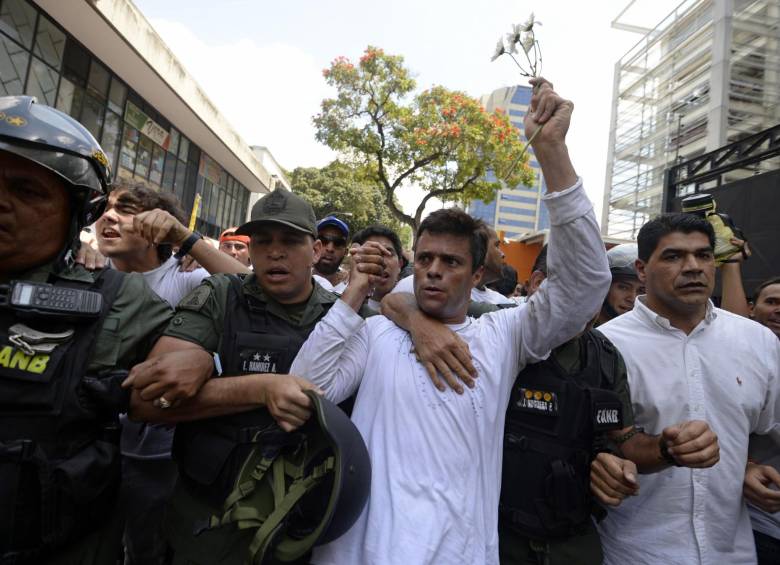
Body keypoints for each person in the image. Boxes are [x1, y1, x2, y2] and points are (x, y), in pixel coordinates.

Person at [289, 78, 612, 564]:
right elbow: (305, 391)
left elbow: (585, 284)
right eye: (424, 259)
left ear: (479, 273)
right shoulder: (376, 331)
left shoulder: (503, 335)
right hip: (358, 552)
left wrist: (552, 153)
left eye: (452, 262)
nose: (434, 270)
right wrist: (356, 293)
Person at [120, 189, 377, 565]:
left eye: (290, 240)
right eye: (263, 241)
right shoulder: (220, 295)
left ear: (315, 250)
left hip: (296, 524)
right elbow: (145, 403)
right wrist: (258, 389)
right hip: (206, 520)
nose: (275, 252)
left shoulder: (345, 318)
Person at [0, 96, 173, 564]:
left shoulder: (117, 300)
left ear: (78, 211)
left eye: (27, 190)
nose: (1, 200)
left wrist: (194, 356)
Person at [593, 213, 780, 564]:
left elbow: (767, 430)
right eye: (674, 256)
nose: (693, 266)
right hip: (636, 552)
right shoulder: (604, 346)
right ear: (642, 270)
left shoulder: (757, 342)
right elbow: (590, 443)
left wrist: (747, 466)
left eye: (704, 255)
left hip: (732, 552)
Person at [93, 178, 250, 565]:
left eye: (126, 209)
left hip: (158, 461)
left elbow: (251, 291)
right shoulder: (84, 274)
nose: (109, 217)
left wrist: (188, 239)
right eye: (103, 209)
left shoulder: (187, 280)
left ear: (156, 225)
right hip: (90, 450)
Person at [392, 226, 515, 305]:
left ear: (477, 276)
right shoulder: (412, 286)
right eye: (497, 245)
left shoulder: (503, 305)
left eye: (450, 261)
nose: (502, 254)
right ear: (481, 249)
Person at [350, 225, 406, 313]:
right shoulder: (343, 304)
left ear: (400, 265)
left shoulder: (418, 300)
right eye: (372, 252)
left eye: (388, 253)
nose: (380, 260)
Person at [595, 243, 645, 326]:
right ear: (605, 287)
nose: (632, 298)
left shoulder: (646, 334)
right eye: (624, 287)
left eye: (641, 290)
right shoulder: (576, 330)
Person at [313, 215, 350, 292]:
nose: (330, 249)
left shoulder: (351, 289)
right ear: (314, 245)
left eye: (338, 243)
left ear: (346, 252)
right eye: (323, 241)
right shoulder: (295, 279)